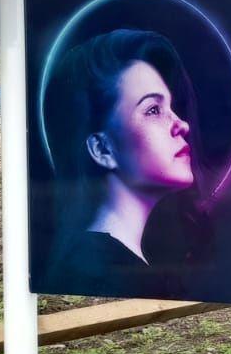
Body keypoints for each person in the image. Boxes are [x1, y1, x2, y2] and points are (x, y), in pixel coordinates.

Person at [41, 28, 208, 295]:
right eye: (153, 110)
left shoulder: (118, 261)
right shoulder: (95, 274)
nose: (181, 124)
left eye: (170, 108)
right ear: (102, 148)